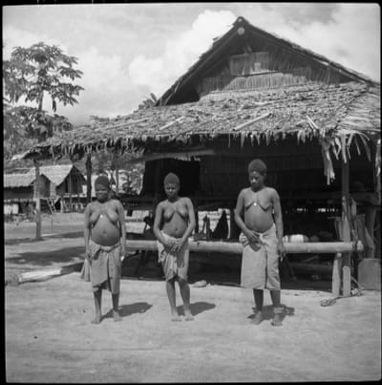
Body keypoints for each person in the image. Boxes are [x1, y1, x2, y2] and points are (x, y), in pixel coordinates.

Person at [234, 159, 286, 326]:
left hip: (269, 236)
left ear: (264, 176)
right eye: (251, 177)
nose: (253, 180)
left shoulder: (271, 193)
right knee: (256, 277)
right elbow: (236, 215)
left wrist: (280, 242)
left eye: (256, 178)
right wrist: (247, 232)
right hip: (252, 238)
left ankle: (277, 312)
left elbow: (278, 217)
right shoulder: (244, 194)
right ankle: (259, 312)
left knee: (272, 274)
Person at [83, 175, 126, 324]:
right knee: (96, 283)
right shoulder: (90, 207)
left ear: (109, 190)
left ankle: (115, 310)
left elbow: (123, 227)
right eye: (97, 190)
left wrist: (123, 246)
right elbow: (86, 228)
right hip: (97, 248)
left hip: (114, 248)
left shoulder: (116, 204)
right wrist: (87, 248)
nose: (100, 192)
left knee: (115, 280)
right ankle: (98, 313)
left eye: (103, 190)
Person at [153, 172, 196, 321]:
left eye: (173, 187)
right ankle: (173, 310)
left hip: (182, 243)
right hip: (167, 243)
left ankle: (187, 309)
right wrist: (165, 242)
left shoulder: (186, 202)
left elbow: (192, 223)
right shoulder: (162, 205)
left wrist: (183, 240)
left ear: (178, 187)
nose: (170, 190)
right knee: (170, 278)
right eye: (167, 188)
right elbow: (156, 228)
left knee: (183, 278)